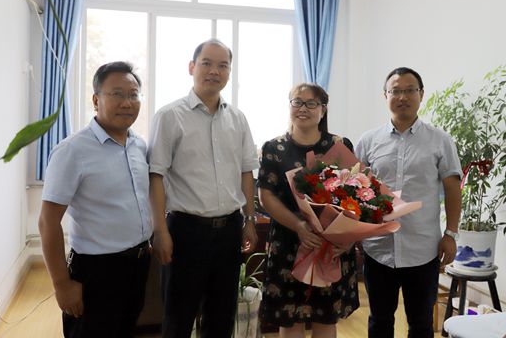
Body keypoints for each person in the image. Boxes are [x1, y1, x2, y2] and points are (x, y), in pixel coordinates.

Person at [147, 38, 259, 338]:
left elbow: (246, 171)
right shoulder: (169, 116)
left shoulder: (237, 118)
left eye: (223, 65)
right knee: (178, 317)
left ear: (229, 72)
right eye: (207, 63)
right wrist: (160, 231)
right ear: (191, 67)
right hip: (186, 231)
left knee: (221, 317)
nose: (214, 71)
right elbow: (155, 176)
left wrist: (249, 219)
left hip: (229, 230)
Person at [38, 61, 153, 338]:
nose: (127, 102)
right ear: (96, 100)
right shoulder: (72, 150)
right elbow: (47, 222)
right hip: (97, 270)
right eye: (117, 94)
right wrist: (62, 284)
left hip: (138, 263)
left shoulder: (139, 146)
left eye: (133, 94)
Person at [355, 67, 463, 338]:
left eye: (409, 90)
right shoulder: (368, 141)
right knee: (379, 321)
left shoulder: (440, 140)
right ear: (385, 95)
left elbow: (452, 189)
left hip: (423, 249)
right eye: (395, 91)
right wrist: (354, 232)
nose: (402, 97)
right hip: (378, 248)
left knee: (421, 324)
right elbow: (355, 190)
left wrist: (450, 234)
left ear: (421, 94)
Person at [257, 83, 360, 338]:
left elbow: (357, 194)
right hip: (289, 242)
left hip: (330, 245)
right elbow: (266, 195)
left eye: (311, 103)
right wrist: (299, 226)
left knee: (326, 317)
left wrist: (348, 237)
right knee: (289, 317)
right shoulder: (273, 148)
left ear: (323, 110)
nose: (303, 108)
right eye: (297, 102)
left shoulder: (339, 145)